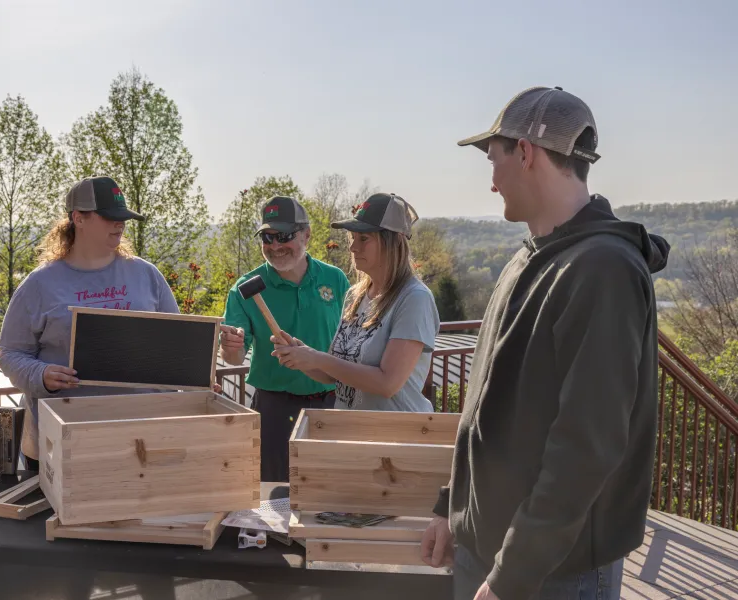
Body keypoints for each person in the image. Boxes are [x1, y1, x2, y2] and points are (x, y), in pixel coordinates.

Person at [420, 86, 669, 600]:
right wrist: (453, 509)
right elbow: (482, 409)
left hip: (552, 574)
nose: (491, 182)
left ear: (526, 153)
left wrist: (514, 573)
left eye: (494, 159)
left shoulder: (602, 271)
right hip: (490, 553)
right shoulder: (530, 258)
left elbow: (586, 448)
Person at [0, 176, 180, 471]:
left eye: (124, 218)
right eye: (109, 217)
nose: (119, 224)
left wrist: (197, 376)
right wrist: (40, 375)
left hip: (141, 440)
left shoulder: (147, 276)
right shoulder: (40, 284)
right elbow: (10, 354)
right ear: (78, 219)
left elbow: (175, 346)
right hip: (64, 443)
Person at [219, 196, 350, 483]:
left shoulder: (336, 280)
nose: (275, 246)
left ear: (307, 234)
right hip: (274, 410)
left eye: (284, 236)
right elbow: (234, 358)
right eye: (267, 237)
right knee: (273, 500)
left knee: (330, 492)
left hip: (333, 403)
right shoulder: (244, 289)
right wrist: (232, 347)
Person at [270, 193, 439, 412]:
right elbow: (334, 373)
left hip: (396, 436)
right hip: (352, 431)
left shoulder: (415, 299)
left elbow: (387, 383)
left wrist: (317, 358)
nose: (352, 248)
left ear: (394, 242)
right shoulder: (355, 295)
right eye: (352, 238)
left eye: (364, 239)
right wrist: (302, 356)